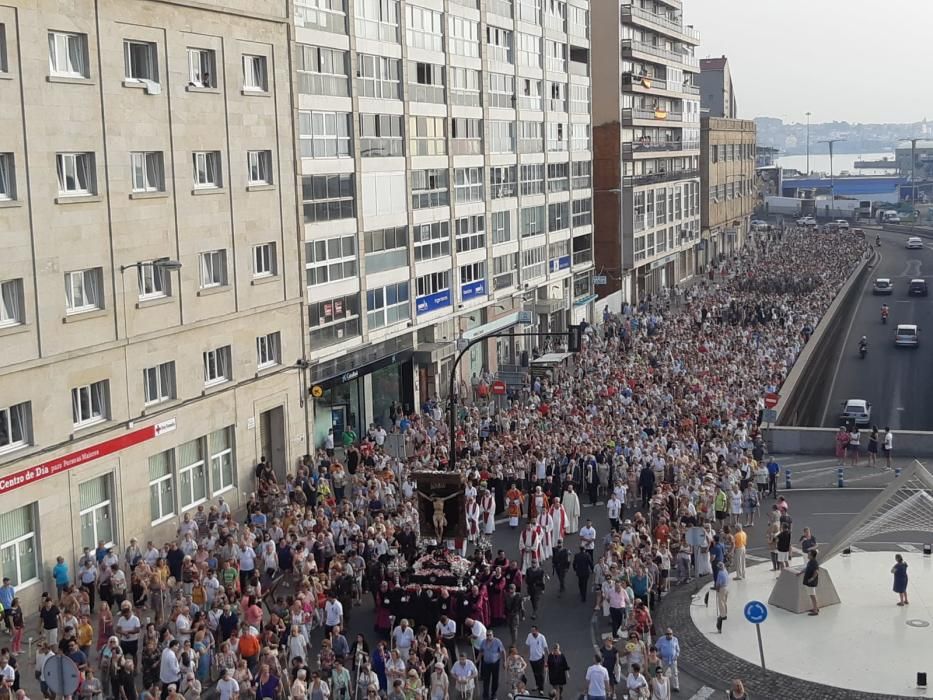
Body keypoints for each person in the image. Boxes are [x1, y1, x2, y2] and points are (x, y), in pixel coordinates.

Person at [479, 630, 505, 700]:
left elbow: (503, 651)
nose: (489, 636)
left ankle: (494, 694)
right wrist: (477, 660)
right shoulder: (483, 642)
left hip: (495, 664)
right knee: (486, 680)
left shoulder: (497, 641)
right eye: (487, 635)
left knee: (495, 679)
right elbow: (481, 651)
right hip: (486, 664)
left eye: (490, 635)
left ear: (493, 635)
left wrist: (504, 662)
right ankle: (485, 695)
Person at [525, 627, 548, 693]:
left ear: (537, 631)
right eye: (531, 631)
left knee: (540, 674)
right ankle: (537, 685)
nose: (532, 632)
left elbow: (546, 647)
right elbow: (527, 645)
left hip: (540, 658)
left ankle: (541, 689)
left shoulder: (542, 637)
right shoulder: (529, 636)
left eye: (533, 631)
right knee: (535, 673)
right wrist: (523, 656)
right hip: (532, 659)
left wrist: (549, 657)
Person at [798, 549, 820, 616]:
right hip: (808, 582)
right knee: (812, 595)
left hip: (811, 583)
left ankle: (815, 611)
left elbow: (816, 571)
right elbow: (807, 568)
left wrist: (812, 579)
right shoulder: (810, 561)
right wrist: (801, 572)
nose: (808, 555)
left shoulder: (814, 562)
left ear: (812, 555)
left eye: (809, 554)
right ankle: (816, 607)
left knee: (812, 595)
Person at [714, 563, 729, 633]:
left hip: (722, 588)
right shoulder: (725, 571)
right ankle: (725, 613)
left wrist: (717, 589)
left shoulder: (720, 573)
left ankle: (723, 615)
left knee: (721, 602)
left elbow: (718, 583)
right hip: (726, 587)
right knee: (725, 601)